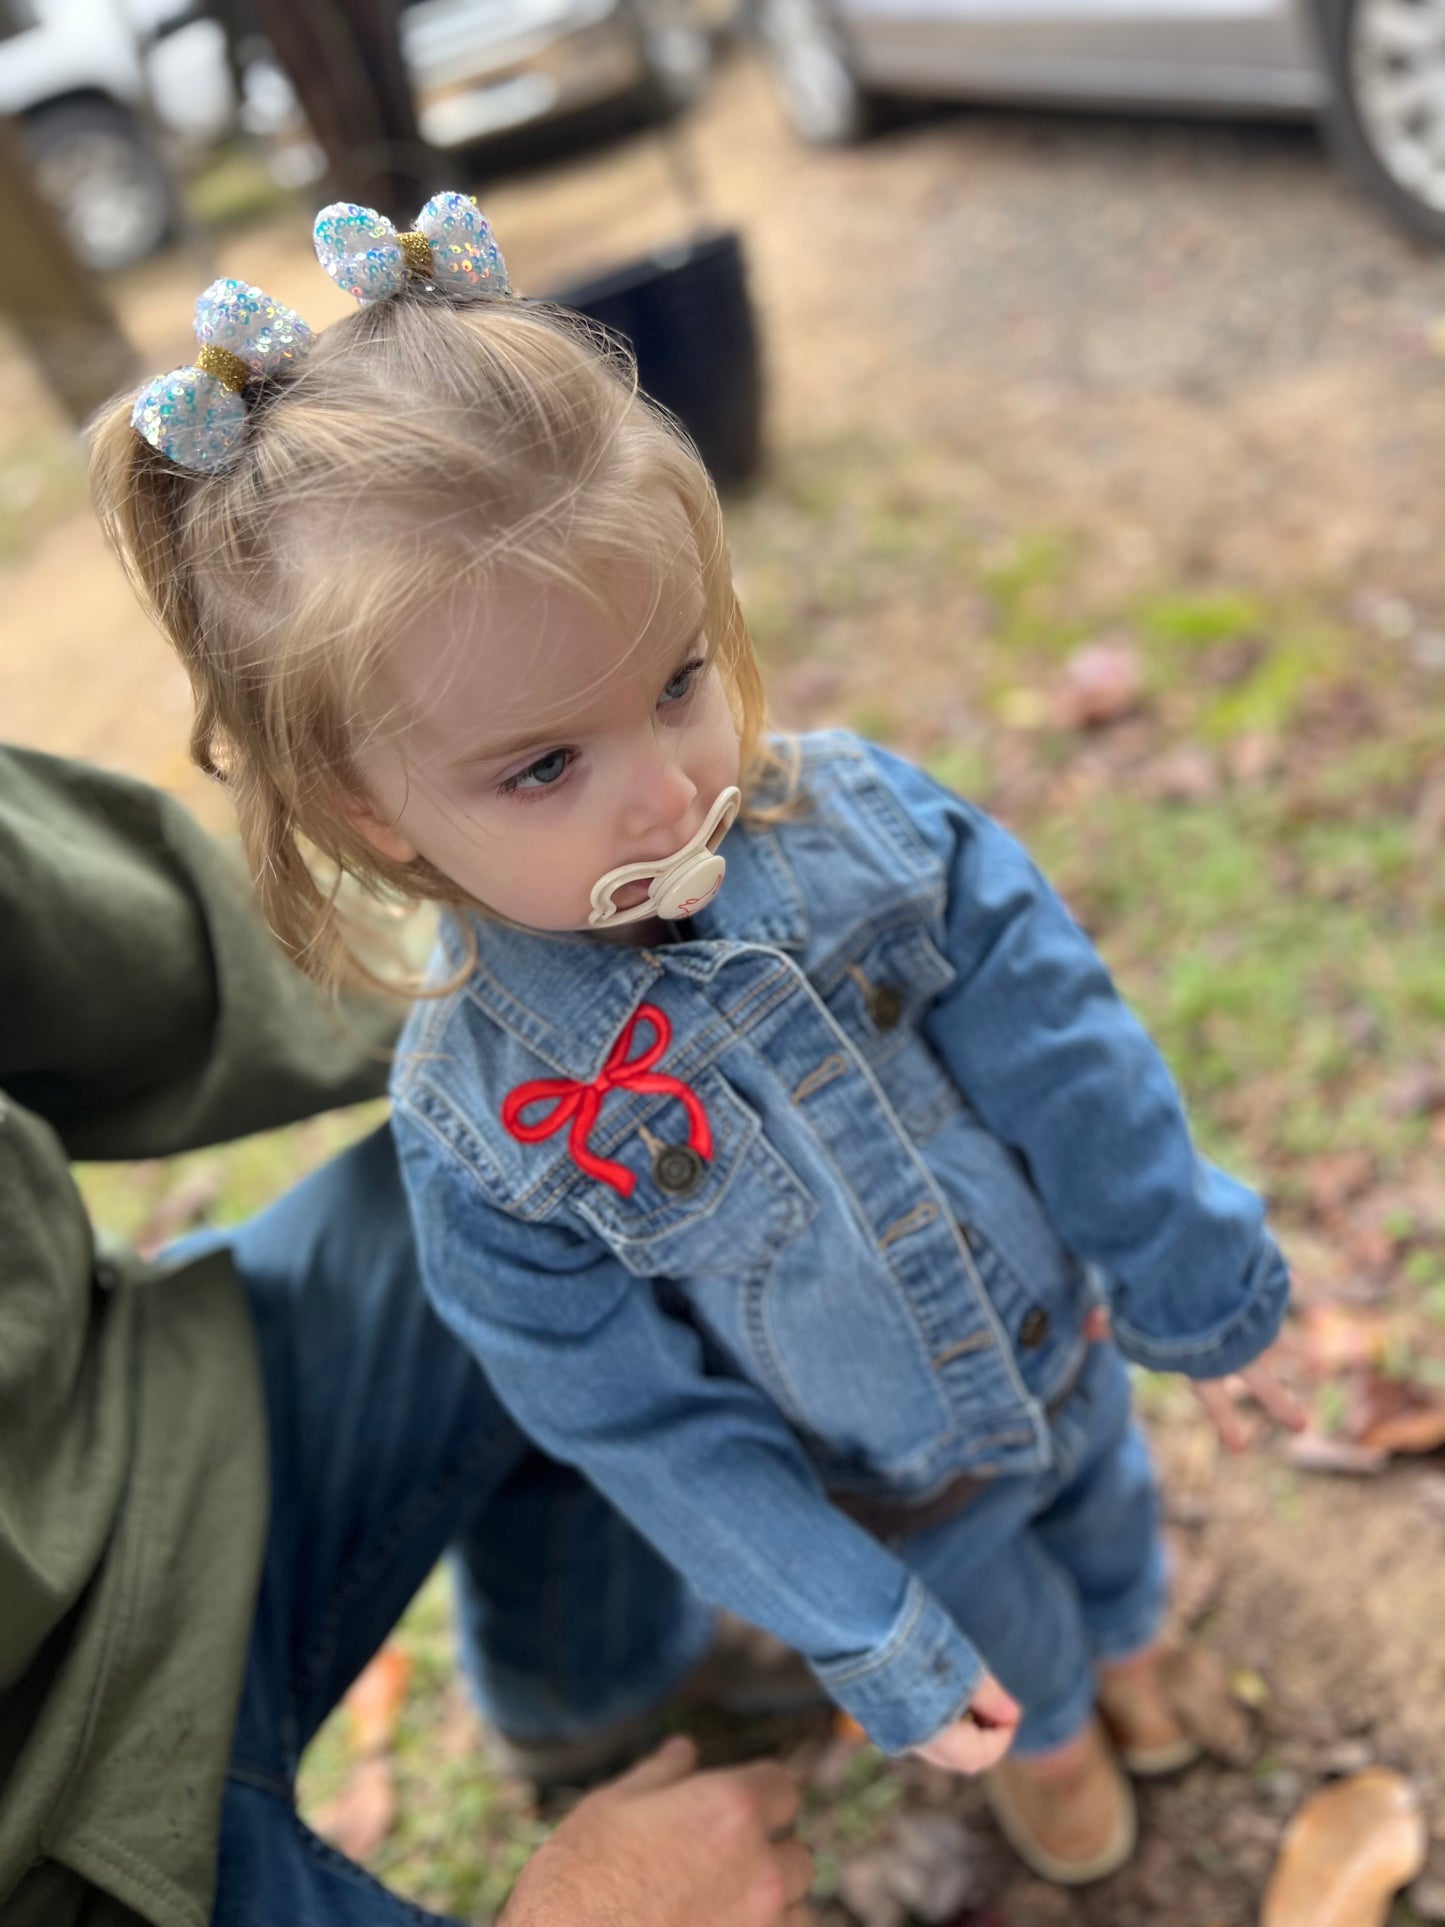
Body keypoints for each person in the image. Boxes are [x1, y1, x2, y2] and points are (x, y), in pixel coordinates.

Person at [90, 190, 1308, 1887]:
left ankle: (1135, 1645)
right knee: (1006, 1623)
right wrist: (855, 1617)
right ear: (368, 809)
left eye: (676, 677)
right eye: (542, 767)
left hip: (1075, 1337)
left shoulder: (864, 826)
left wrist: (1179, 1248)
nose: (666, 785)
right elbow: (635, 1418)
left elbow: (1066, 1043)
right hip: (897, 1493)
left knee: (1112, 1519)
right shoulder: (492, 1133)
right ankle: (1057, 1720)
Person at [0, 746, 814, 1927]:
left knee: (583, 1160)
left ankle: (592, 1669)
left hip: (140, 1430)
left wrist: (545, 965)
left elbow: (152, 949)